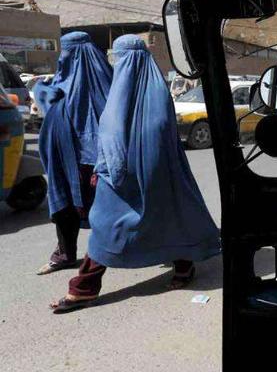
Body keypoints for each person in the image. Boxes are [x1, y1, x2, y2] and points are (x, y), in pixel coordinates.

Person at [50, 35, 221, 313]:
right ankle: (183, 265)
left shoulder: (121, 94)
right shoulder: (157, 90)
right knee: (169, 216)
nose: (120, 65)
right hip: (162, 173)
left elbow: (112, 134)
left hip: (120, 174)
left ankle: (84, 288)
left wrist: (106, 172)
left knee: (106, 227)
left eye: (121, 59)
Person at [35, 31, 112, 275]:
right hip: (65, 161)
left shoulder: (108, 85)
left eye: (69, 53)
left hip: (98, 162)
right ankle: (65, 254)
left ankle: (109, 256)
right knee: (65, 205)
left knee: (110, 209)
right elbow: (46, 100)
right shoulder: (58, 85)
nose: (65, 58)